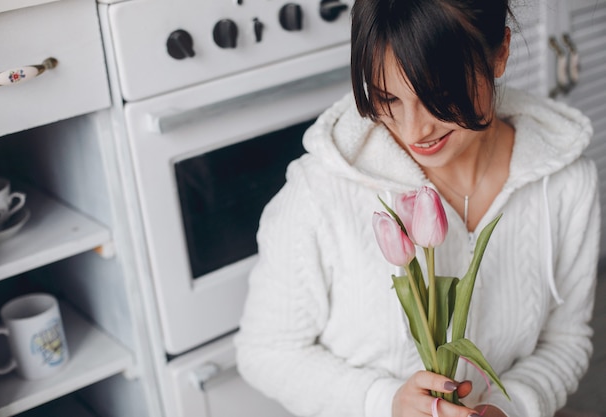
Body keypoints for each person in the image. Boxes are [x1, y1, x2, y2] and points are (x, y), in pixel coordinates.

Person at [234, 0, 600, 416]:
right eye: (387, 98)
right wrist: (382, 402)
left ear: (500, 52)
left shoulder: (568, 184)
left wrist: (508, 408)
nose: (414, 130)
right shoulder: (320, 191)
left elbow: (566, 340)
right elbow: (265, 349)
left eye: (439, 95)